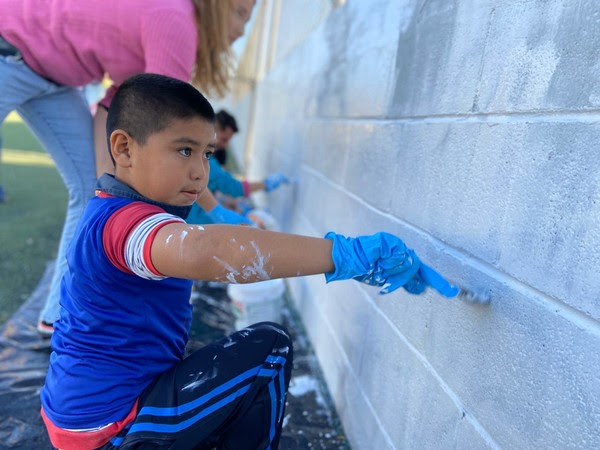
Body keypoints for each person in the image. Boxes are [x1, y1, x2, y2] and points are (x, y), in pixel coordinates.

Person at [40, 74, 460, 449]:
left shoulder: (114, 209)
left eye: (206, 153)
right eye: (184, 150)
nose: (200, 172)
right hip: (107, 429)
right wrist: (346, 255)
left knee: (214, 366)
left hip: (86, 416)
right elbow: (200, 251)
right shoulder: (123, 224)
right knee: (268, 349)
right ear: (124, 148)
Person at [0, 0, 256, 337]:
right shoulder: (175, 22)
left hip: (56, 81)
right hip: (9, 49)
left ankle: (59, 315)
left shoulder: (177, 25)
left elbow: (117, 101)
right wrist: (214, 209)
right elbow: (167, 132)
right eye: (239, 14)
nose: (241, 31)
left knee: (90, 189)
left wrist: (108, 183)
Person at [187, 109, 289, 225]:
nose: (225, 145)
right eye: (224, 139)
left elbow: (215, 187)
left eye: (228, 141)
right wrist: (265, 184)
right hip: (197, 222)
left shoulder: (214, 154)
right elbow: (234, 187)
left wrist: (224, 204)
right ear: (212, 131)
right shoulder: (207, 163)